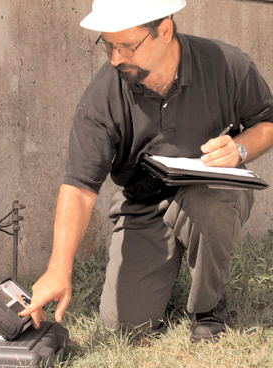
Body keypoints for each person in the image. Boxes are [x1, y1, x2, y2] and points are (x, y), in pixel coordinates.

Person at [21, 0, 273, 341]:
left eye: (126, 46)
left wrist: (240, 148)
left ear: (164, 30)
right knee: (124, 326)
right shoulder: (101, 98)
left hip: (212, 192)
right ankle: (160, 277)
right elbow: (79, 187)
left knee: (210, 207)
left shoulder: (227, 64)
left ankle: (209, 309)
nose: (114, 58)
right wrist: (58, 268)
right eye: (108, 45)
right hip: (145, 202)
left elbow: (267, 122)